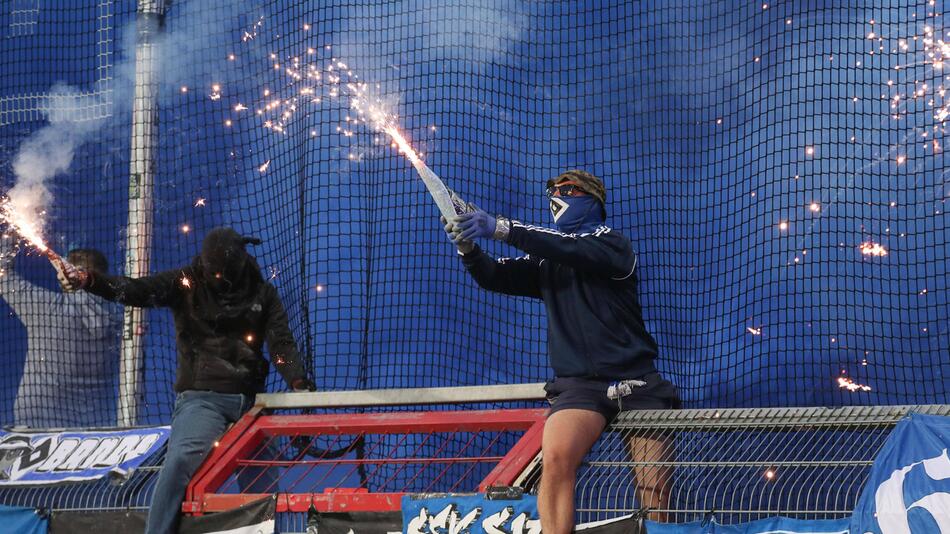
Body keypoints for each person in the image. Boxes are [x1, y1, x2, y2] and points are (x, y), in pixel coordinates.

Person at [444, 170, 679, 531]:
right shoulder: (546, 258)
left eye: (567, 190)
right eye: (552, 190)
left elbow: (568, 247)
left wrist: (502, 228)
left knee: (655, 489)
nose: (557, 196)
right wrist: (469, 249)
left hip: (638, 383)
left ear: (592, 199)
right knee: (556, 460)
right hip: (581, 388)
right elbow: (494, 275)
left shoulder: (611, 242)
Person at [56, 226, 316, 534]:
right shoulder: (185, 282)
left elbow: (281, 344)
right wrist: (90, 281)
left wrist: (298, 381)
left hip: (253, 404)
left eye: (224, 275)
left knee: (262, 480)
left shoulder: (263, 293)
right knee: (179, 461)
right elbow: (135, 289)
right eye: (213, 273)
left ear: (241, 265)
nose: (218, 280)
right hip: (203, 399)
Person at [0, 235, 120, 428]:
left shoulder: (48, 308)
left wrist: (11, 234)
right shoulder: (120, 319)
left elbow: (2, 274)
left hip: (35, 428)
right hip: (96, 431)